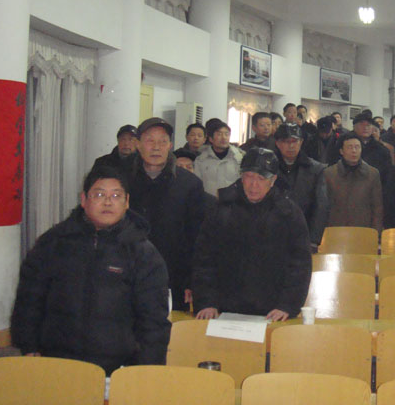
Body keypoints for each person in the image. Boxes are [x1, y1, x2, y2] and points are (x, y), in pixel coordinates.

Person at [10, 166, 171, 374]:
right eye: (99, 195)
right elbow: (29, 299)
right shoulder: (53, 243)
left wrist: (147, 369)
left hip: (117, 366)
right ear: (84, 199)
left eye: (116, 195)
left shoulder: (143, 253)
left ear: (127, 202)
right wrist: (29, 345)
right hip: (56, 359)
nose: (108, 202)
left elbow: (154, 320)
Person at [192, 148, 312, 322]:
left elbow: (300, 264)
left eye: (261, 178)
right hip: (224, 309)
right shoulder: (222, 209)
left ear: (273, 180)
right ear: (241, 177)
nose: (253, 185)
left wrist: (287, 305)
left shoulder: (288, 213)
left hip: (272, 311)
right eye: (249, 176)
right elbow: (204, 258)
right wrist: (206, 302)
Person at [127, 117, 208, 311]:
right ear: (138, 144)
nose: (156, 147)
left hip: (173, 276)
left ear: (170, 146)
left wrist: (192, 280)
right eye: (150, 140)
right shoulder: (122, 181)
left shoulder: (189, 184)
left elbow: (198, 237)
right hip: (128, 272)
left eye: (162, 141)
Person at [273, 123, 329, 249]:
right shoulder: (268, 167)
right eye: (286, 141)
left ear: (301, 142)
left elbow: (321, 206)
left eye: (295, 141)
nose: (291, 146)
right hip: (271, 232)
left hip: (303, 232)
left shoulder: (315, 169)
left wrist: (314, 239)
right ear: (278, 143)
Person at [323, 131, 383, 233]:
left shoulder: (372, 174)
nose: (354, 151)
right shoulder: (329, 174)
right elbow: (324, 206)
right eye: (349, 147)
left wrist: (376, 232)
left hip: (363, 229)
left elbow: (377, 207)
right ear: (341, 151)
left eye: (357, 147)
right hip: (336, 229)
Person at [194, 118, 244, 198]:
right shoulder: (201, 160)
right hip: (209, 202)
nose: (224, 137)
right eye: (219, 134)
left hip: (233, 203)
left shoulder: (240, 158)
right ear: (211, 139)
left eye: (226, 134)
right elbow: (197, 186)